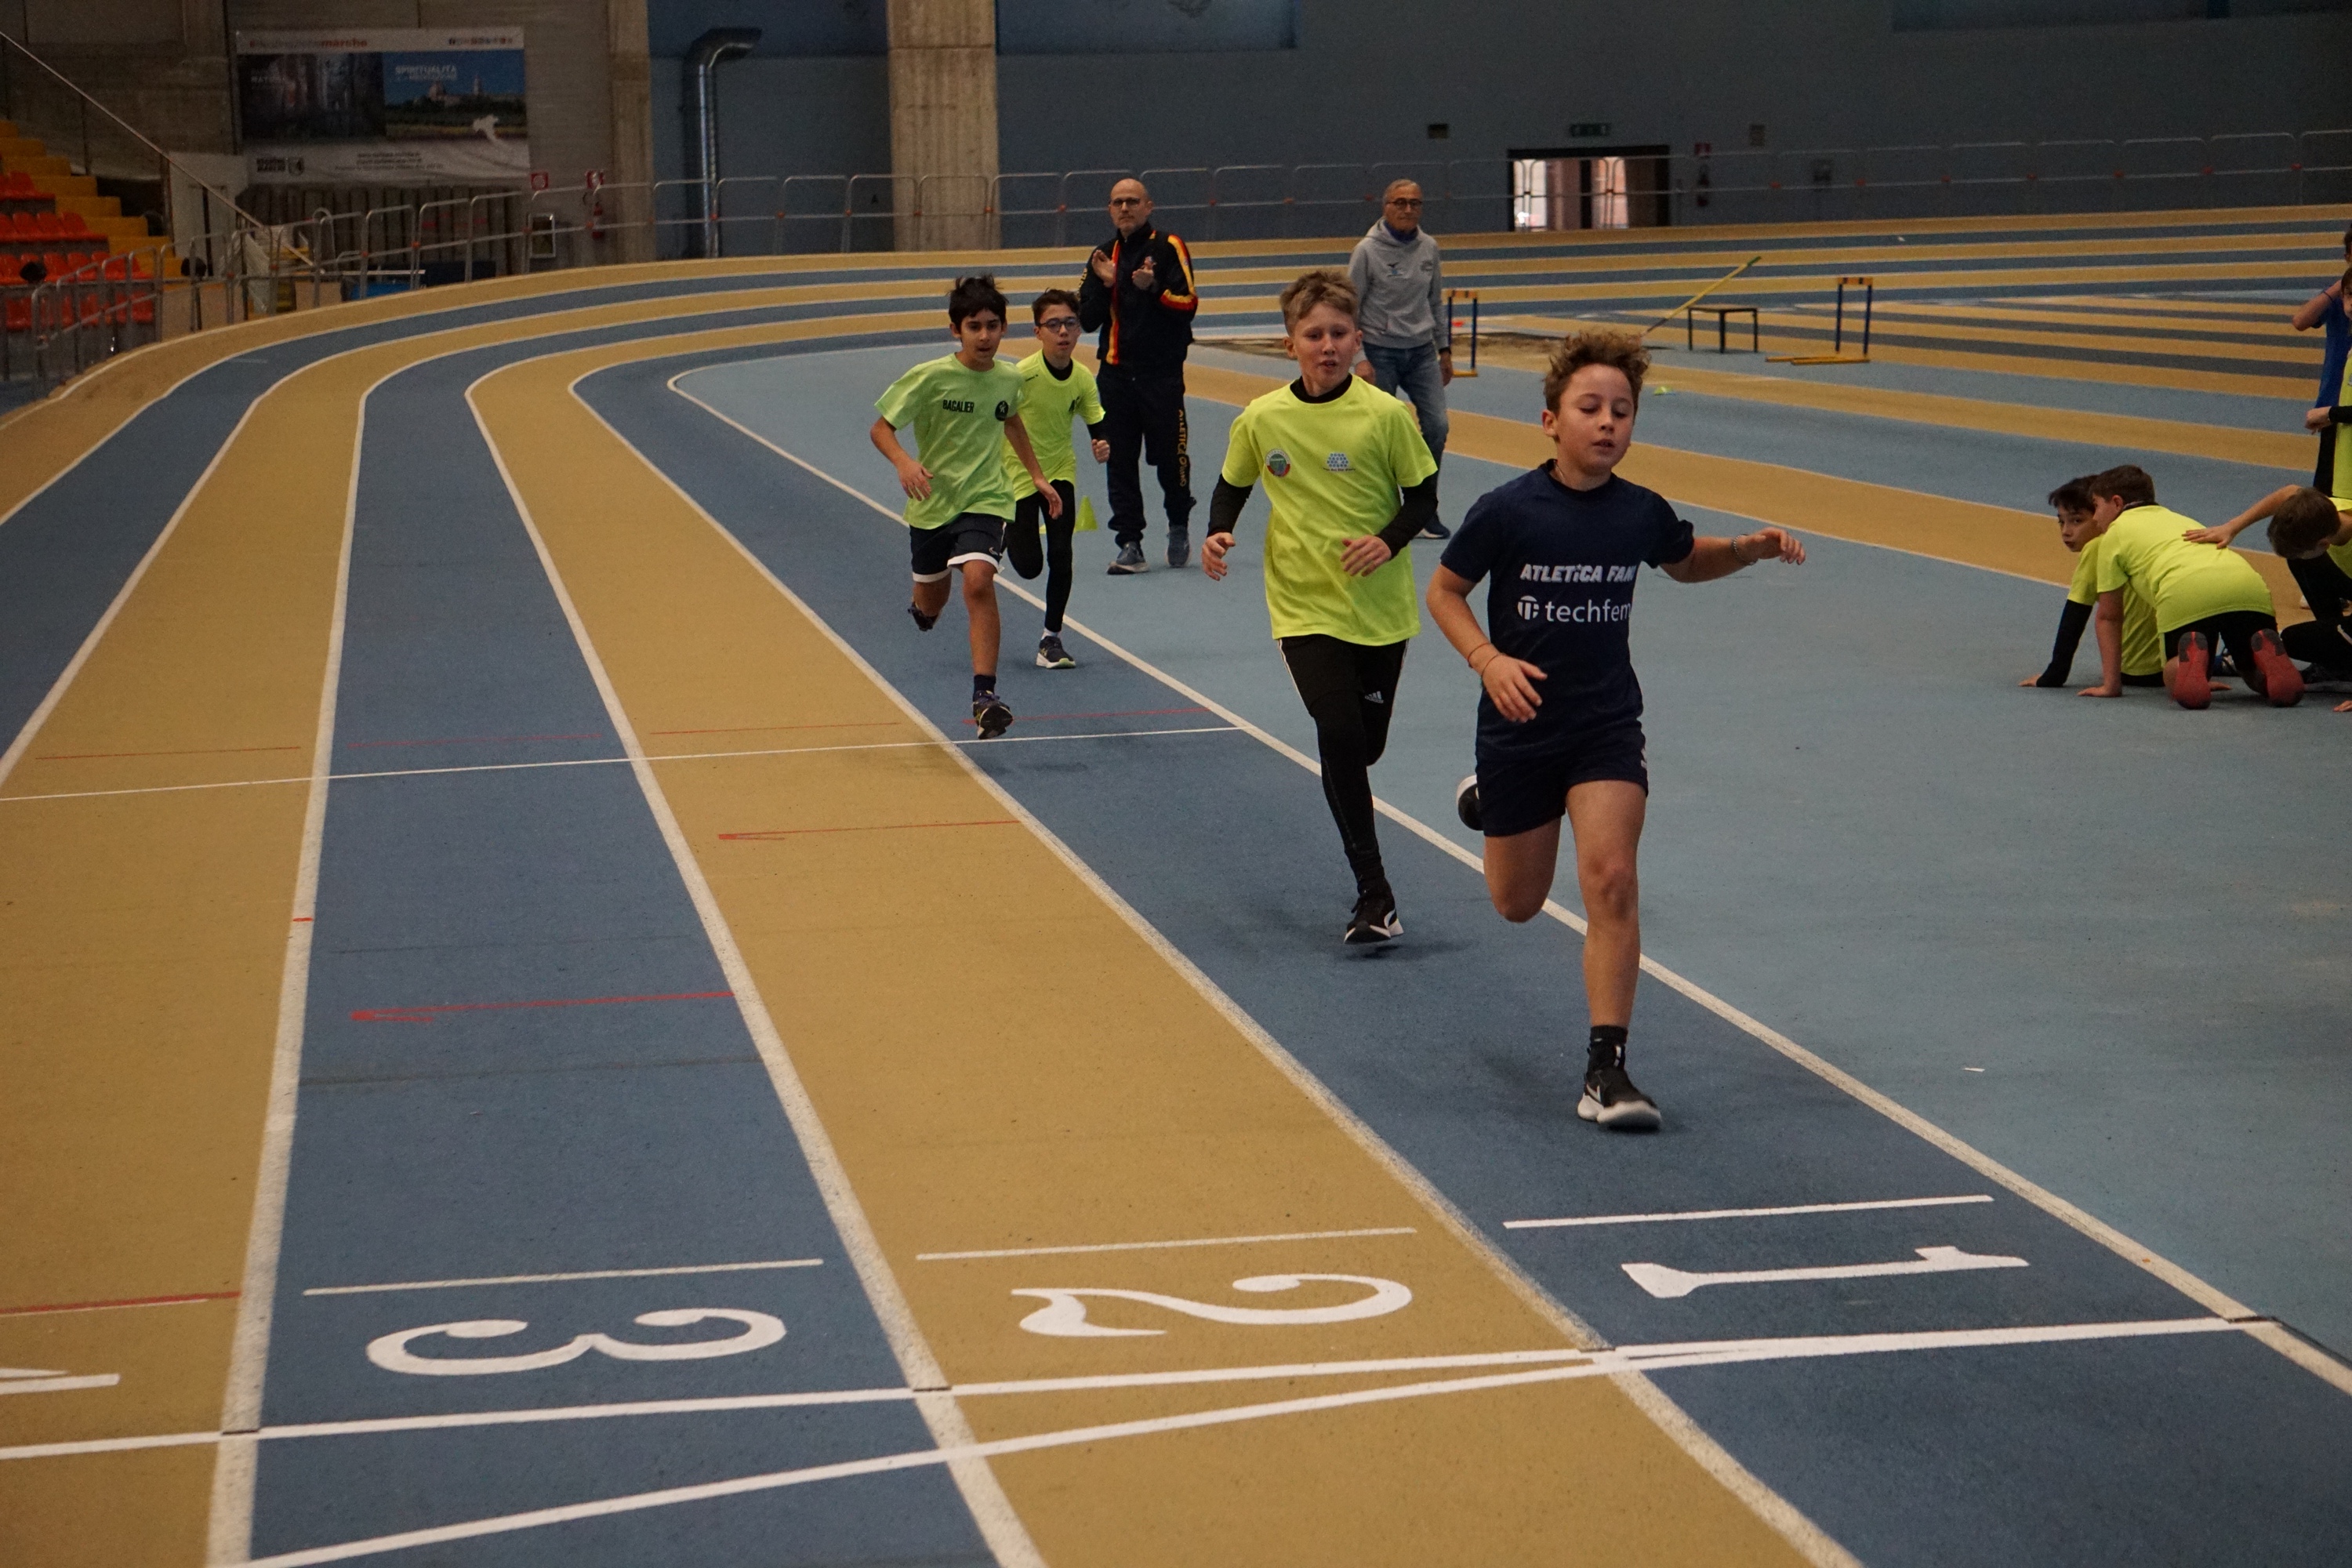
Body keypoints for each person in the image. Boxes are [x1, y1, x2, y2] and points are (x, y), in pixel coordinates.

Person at [1426, 330, 1805, 1131]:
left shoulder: (1639, 511)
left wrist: (1747, 549)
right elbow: (1445, 592)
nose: (1607, 423)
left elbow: (1686, 560)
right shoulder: (1507, 510)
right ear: (1550, 421)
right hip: (1520, 726)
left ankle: (1608, 1069)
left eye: (1622, 411)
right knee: (1517, 903)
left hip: (1604, 725)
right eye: (1590, 408)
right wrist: (1488, 660)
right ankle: (1492, 801)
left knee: (1612, 879)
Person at [1201, 269, 1439, 943]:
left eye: (1338, 334)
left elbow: (1422, 497)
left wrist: (1387, 542)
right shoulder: (1262, 418)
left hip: (1379, 608)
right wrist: (1219, 531)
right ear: (1291, 345)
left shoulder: (1385, 416)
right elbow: (1232, 483)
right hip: (1302, 603)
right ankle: (1375, 894)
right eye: (1313, 335)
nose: (1327, 346)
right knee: (1337, 734)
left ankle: (1371, 879)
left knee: (1364, 747)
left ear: (1358, 339)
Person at [870, 275, 1061, 739]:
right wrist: (905, 463)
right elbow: (881, 428)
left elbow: (1011, 420)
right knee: (930, 603)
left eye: (993, 326)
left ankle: (985, 697)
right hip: (932, 502)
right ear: (956, 330)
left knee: (978, 581)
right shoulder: (929, 377)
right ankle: (924, 609)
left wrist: (1037, 476)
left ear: (1004, 328)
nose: (985, 336)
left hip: (986, 497)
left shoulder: (1009, 378)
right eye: (974, 327)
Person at [2078, 464, 2299, 710]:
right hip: (2247, 585)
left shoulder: (2113, 535)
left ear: (2117, 503)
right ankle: (2266, 672)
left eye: (2096, 506)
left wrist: (2111, 685)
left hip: (2185, 593)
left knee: (2176, 678)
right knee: (2250, 671)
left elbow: (2109, 617)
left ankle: (2189, 667)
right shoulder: (2181, 519)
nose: (2095, 517)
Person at [1078, 178, 1200, 574]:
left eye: (1132, 201)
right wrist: (1104, 284)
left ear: (1149, 206)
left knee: (1170, 458)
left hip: (1161, 376)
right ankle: (1130, 543)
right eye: (1118, 202)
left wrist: (1153, 287)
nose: (1125, 208)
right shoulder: (1101, 256)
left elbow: (1188, 304)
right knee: (1119, 461)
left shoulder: (1169, 246)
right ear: (1109, 210)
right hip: (1114, 375)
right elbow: (1086, 318)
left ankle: (1178, 522)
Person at [1004, 289, 1109, 669]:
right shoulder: (1021, 376)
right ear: (1038, 332)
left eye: (1069, 323)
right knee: (1030, 566)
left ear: (1079, 329)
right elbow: (998, 419)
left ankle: (1051, 639)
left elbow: (1096, 418)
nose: (1062, 331)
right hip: (1018, 474)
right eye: (1053, 325)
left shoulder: (1082, 378)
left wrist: (1101, 442)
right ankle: (1004, 529)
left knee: (1062, 553)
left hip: (1060, 471)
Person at [1348, 179, 1454, 541]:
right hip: (1380, 351)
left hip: (1422, 351)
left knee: (1437, 426)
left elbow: (1435, 302)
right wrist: (1360, 358)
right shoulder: (1366, 251)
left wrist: (1444, 350)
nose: (1408, 209)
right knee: (1382, 433)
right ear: (1386, 207)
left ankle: (1424, 507)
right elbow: (1350, 307)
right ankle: (1382, 507)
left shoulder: (1429, 248)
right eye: (1400, 203)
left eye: (1415, 203)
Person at [2183, 484, 2352, 684]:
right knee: (2302, 560)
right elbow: (2289, 492)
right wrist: (2232, 527)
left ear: (2324, 543)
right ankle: (2335, 657)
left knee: (2294, 640)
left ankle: (2342, 662)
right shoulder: (2321, 509)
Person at [2021, 474, 2164, 691]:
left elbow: (2075, 616)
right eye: (2062, 522)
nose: (2066, 531)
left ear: (2100, 515)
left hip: (2136, 671)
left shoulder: (2097, 548)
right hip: (2171, 663)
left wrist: (2054, 674)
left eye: (2077, 521)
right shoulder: (2139, 539)